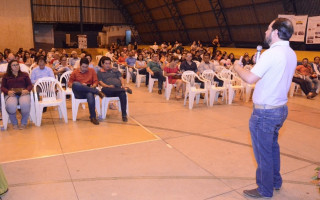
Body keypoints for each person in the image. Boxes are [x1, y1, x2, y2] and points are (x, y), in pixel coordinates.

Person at [233, 18, 296, 198]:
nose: (266, 32)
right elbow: (271, 74)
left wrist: (237, 67)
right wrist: (257, 63)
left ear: (276, 32)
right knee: (272, 148)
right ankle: (275, 181)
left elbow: (250, 79)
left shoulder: (272, 53)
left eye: (268, 29)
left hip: (265, 113)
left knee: (263, 153)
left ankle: (264, 189)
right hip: (279, 109)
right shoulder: (290, 53)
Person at [68, 58, 105, 125]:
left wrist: (93, 86)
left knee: (90, 94)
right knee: (75, 84)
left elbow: (96, 81)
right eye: (83, 67)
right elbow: (70, 84)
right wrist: (81, 85)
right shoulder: (75, 72)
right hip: (79, 93)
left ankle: (93, 117)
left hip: (89, 91)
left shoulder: (91, 70)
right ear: (80, 65)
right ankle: (96, 92)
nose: (85, 68)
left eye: (86, 67)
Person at [97, 57, 132, 122]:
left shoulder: (115, 70)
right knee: (105, 89)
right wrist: (108, 86)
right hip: (107, 90)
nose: (108, 65)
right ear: (102, 64)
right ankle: (124, 89)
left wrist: (123, 85)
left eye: (109, 63)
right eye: (106, 63)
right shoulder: (99, 72)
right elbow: (100, 82)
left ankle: (124, 115)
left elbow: (121, 78)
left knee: (123, 94)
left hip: (118, 88)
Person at [1, 60, 32, 129]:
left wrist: (27, 90)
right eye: (13, 65)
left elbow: (30, 85)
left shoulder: (24, 74)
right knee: (11, 106)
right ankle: (14, 123)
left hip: (23, 93)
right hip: (11, 94)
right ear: (10, 67)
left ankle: (24, 123)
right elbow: (2, 87)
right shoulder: (6, 76)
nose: (16, 66)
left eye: (17, 65)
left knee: (25, 104)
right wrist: (7, 91)